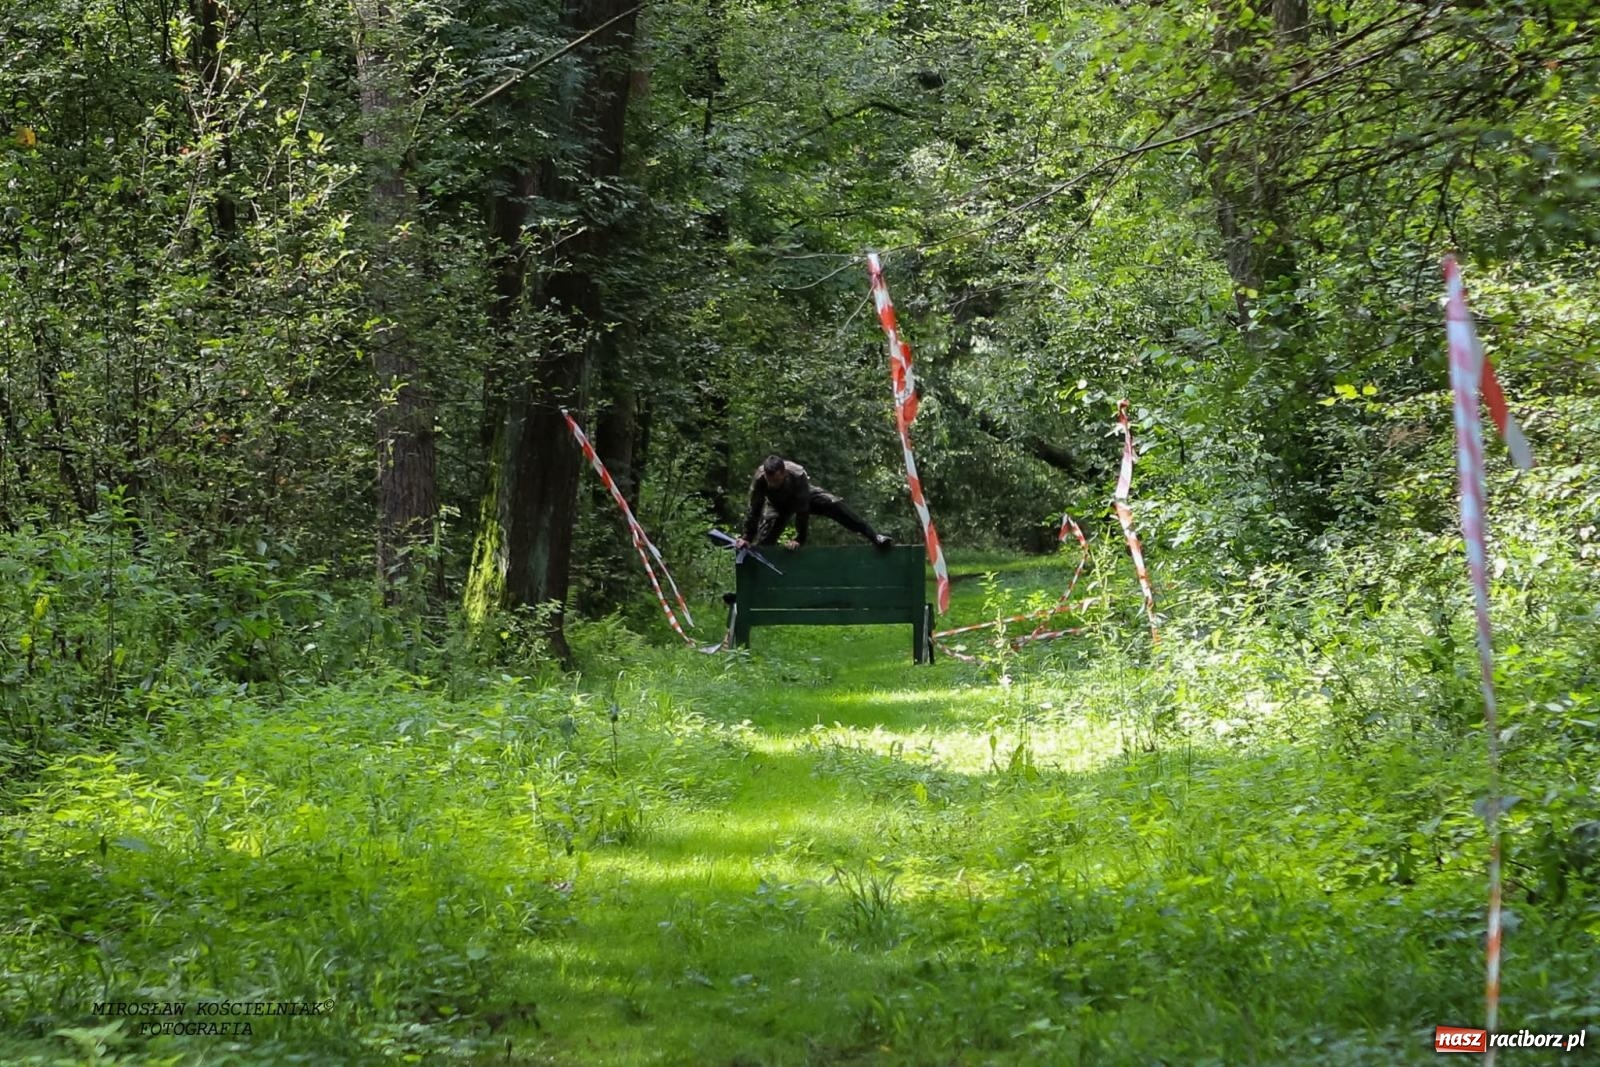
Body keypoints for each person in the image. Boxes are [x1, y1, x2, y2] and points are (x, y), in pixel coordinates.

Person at [734, 455, 894, 551]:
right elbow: (754, 508)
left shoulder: (797, 474)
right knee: (763, 543)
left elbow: (802, 509)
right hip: (776, 505)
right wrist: (747, 536)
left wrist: (799, 539)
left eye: (776, 480)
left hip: (803, 497)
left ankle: (874, 536)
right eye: (770, 481)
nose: (772, 484)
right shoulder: (760, 479)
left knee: (834, 504)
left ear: (784, 473)